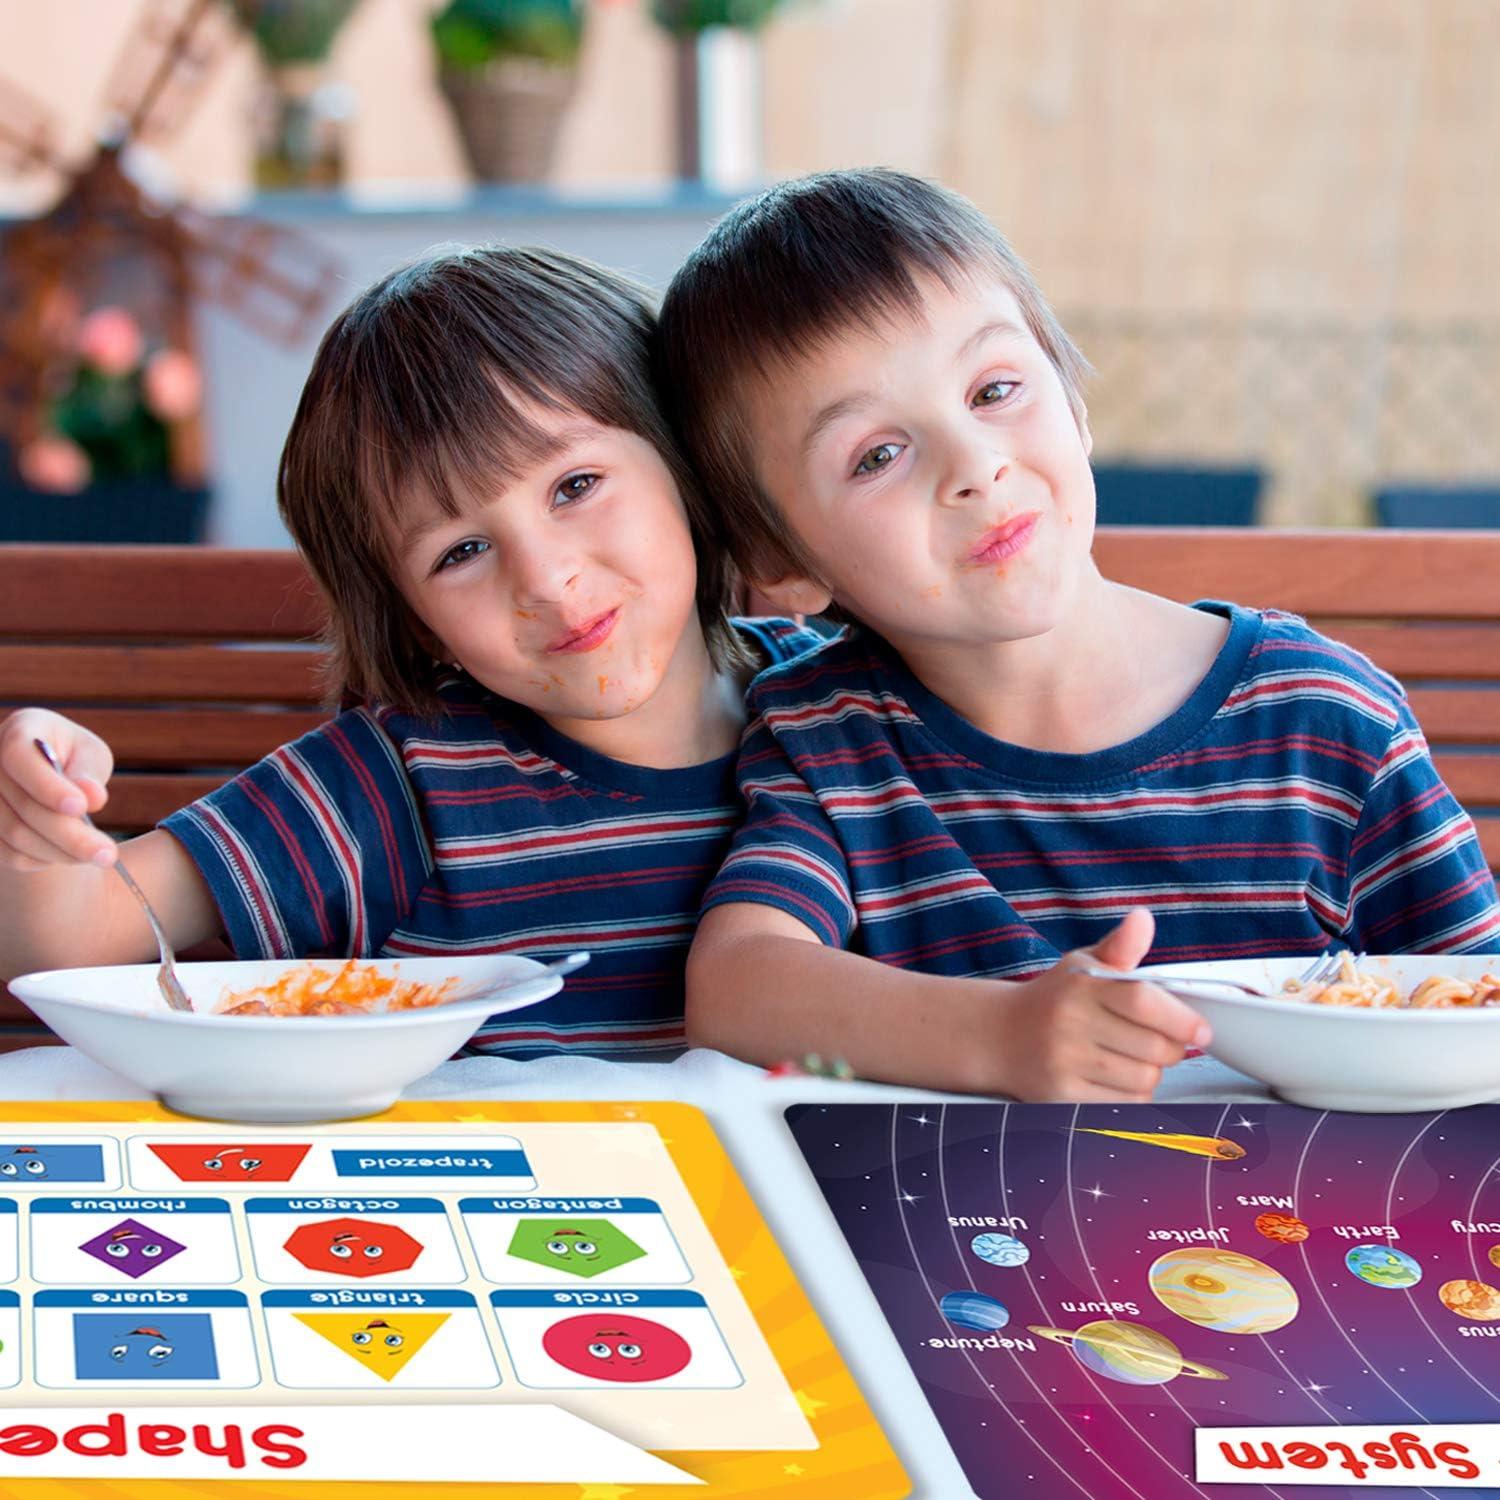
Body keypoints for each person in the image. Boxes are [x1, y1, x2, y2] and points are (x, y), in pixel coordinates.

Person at [653, 167, 1500, 1100]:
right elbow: (738, 987)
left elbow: (1479, 1015)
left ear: (1075, 402)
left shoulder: (1326, 722)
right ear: (781, 561)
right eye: (878, 455)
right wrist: (1003, 1036)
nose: (976, 464)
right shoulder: (833, 736)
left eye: (994, 390)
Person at [0, 246, 819, 1058]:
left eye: (574, 486)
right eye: (461, 552)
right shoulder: (396, 782)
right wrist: (37, 823)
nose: (546, 579)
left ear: (682, 461)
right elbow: (59, 936)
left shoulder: (838, 706)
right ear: (416, 620)